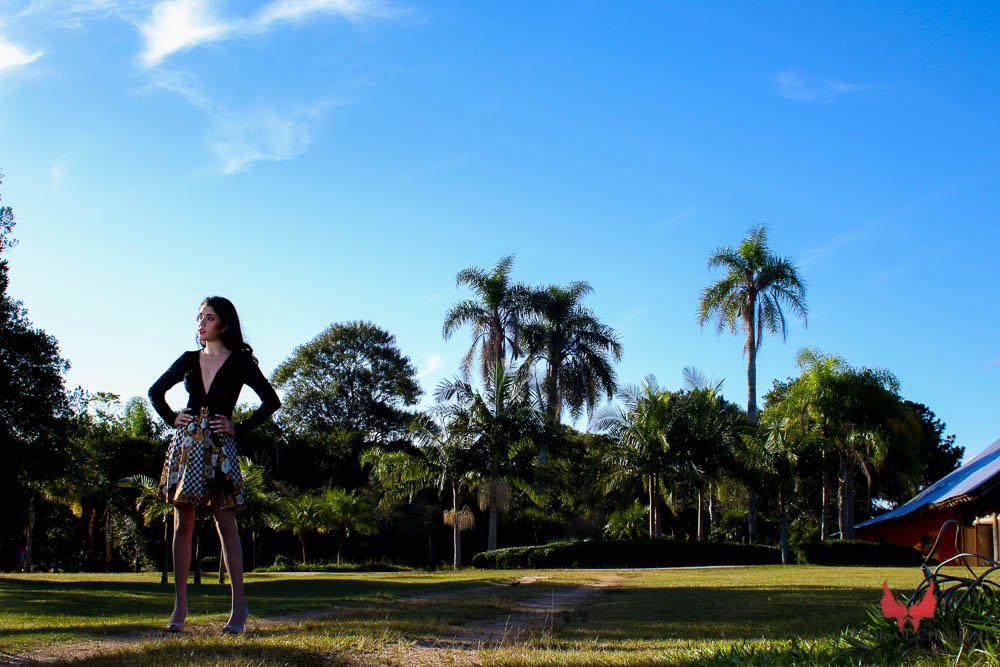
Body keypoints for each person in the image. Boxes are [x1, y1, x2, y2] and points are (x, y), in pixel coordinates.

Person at [149, 296, 280, 634]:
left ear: (224, 323)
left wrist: (239, 427)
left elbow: (271, 401)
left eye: (208, 317)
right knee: (183, 527)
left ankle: (239, 608)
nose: (201, 323)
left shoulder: (239, 362)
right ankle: (180, 607)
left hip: (221, 448)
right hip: (188, 446)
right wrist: (172, 418)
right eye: (199, 317)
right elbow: (155, 391)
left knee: (227, 528)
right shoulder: (189, 360)